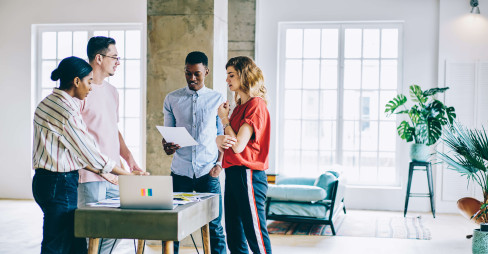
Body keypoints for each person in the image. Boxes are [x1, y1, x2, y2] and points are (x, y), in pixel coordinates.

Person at [32, 56, 148, 254]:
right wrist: (128, 176)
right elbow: (91, 153)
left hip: (46, 181)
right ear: (76, 81)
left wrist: (105, 173)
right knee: (57, 244)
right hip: (59, 184)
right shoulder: (67, 110)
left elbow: (74, 153)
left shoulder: (48, 102)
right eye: (89, 81)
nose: (91, 88)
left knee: (73, 242)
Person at [77, 36, 143, 253]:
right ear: (98, 58)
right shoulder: (79, 91)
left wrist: (130, 161)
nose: (118, 62)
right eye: (114, 57)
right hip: (90, 177)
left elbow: (113, 130)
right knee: (94, 234)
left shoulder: (112, 92)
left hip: (115, 175)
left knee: (120, 226)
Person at [162, 51, 227, 254]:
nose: (192, 78)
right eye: (188, 73)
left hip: (208, 173)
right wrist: (167, 146)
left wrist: (219, 164)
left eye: (197, 73)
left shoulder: (217, 98)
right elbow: (167, 135)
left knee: (215, 227)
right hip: (180, 172)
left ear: (206, 71)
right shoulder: (172, 99)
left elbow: (222, 134)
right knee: (174, 226)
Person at [216, 56, 272, 254]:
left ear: (243, 76)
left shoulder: (256, 105)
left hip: (248, 174)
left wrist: (223, 119)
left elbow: (238, 146)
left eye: (231, 75)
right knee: (235, 235)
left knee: (255, 235)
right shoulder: (239, 106)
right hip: (233, 173)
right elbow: (229, 143)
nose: (227, 80)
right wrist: (219, 142)